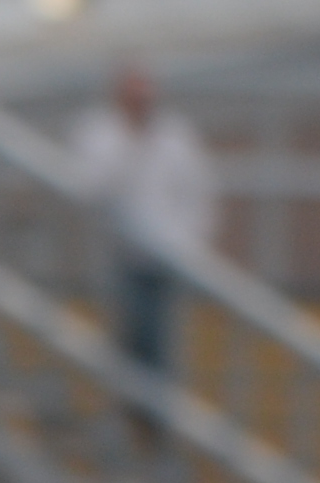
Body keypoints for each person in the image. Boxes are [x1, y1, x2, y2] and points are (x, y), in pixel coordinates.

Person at [70, 61, 215, 388]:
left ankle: (151, 409)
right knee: (129, 341)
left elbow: (198, 192)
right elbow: (93, 187)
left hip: (166, 257)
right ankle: (134, 407)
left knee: (158, 341)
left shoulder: (175, 135)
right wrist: (130, 140)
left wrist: (187, 244)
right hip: (118, 254)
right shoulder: (100, 133)